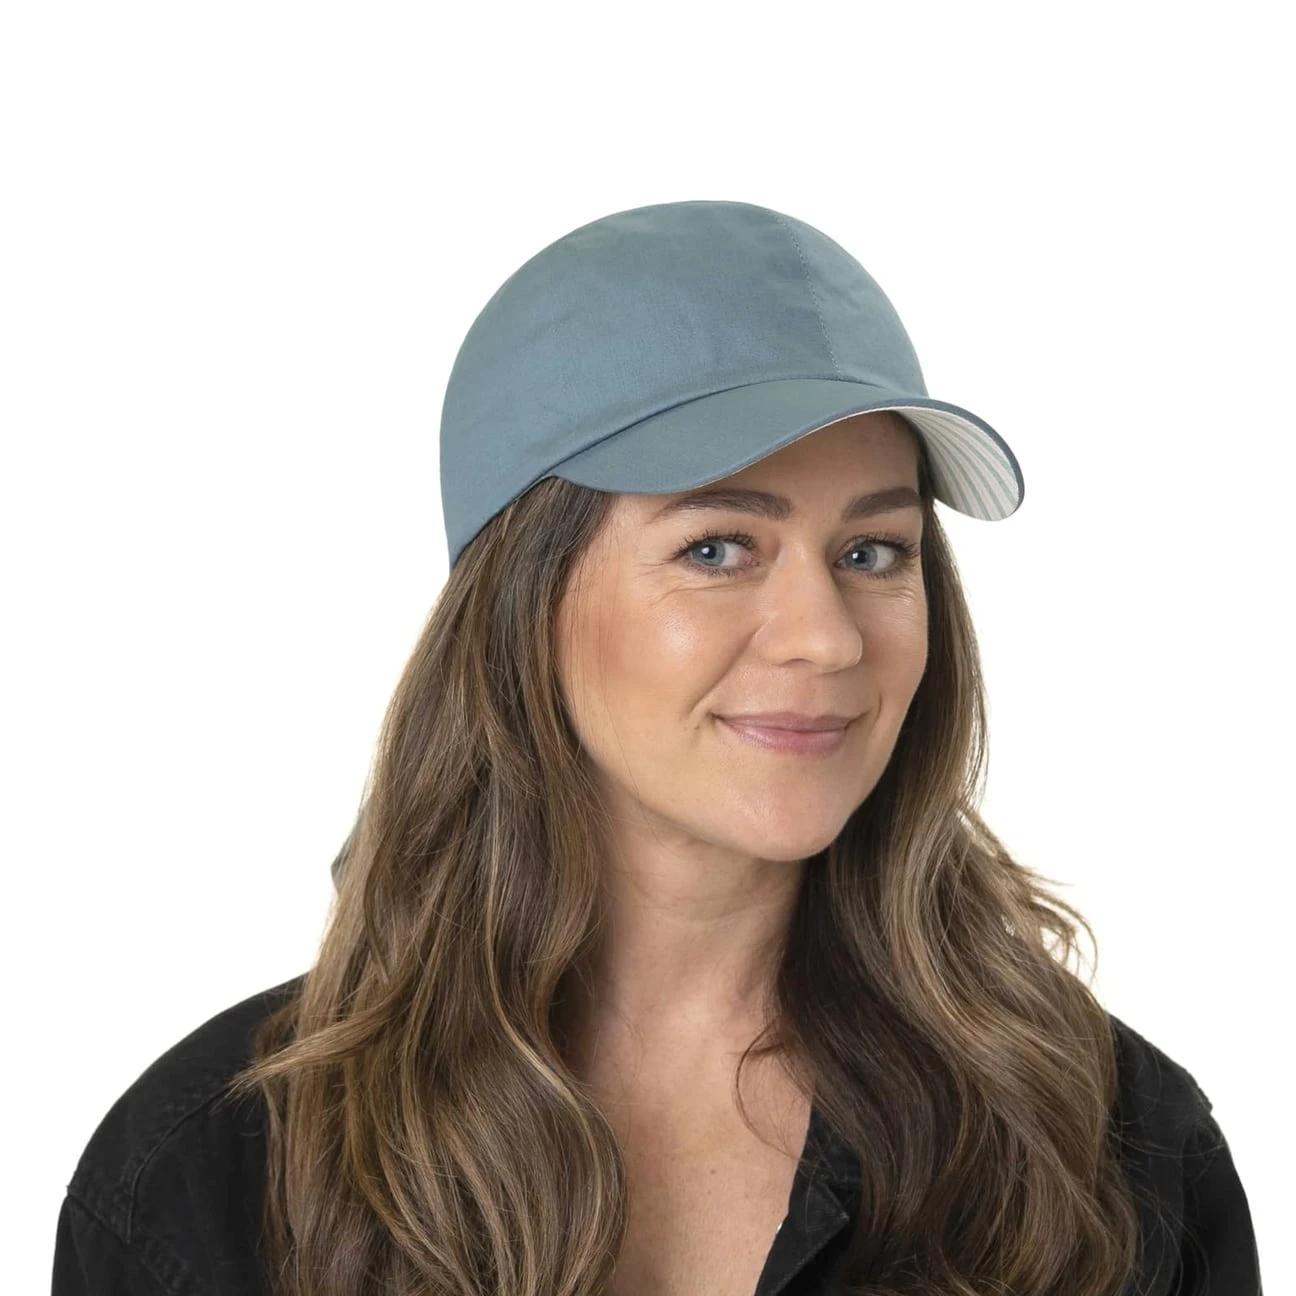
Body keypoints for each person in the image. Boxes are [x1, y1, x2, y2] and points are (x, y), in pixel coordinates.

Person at [52, 199, 1263, 1295]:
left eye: (873, 552)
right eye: (717, 547)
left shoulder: (1107, 1153)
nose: (827, 637)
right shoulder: (211, 1181)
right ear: (523, 600)